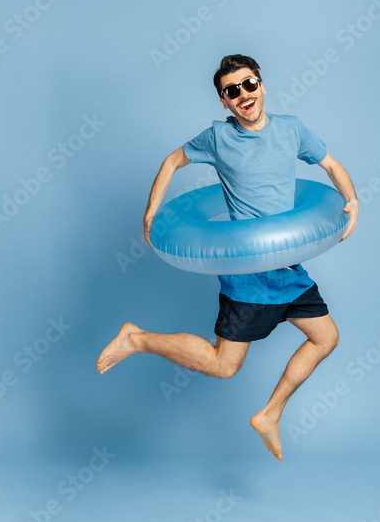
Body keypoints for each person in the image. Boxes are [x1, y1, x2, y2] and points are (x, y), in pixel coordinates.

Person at [97, 54, 359, 461]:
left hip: (287, 267)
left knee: (326, 338)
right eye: (232, 91)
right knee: (224, 366)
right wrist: (151, 211)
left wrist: (353, 199)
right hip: (248, 271)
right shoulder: (219, 138)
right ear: (224, 102)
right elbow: (172, 160)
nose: (243, 95)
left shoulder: (292, 130)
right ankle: (137, 338)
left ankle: (270, 414)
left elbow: (331, 164)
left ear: (262, 85)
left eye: (249, 84)